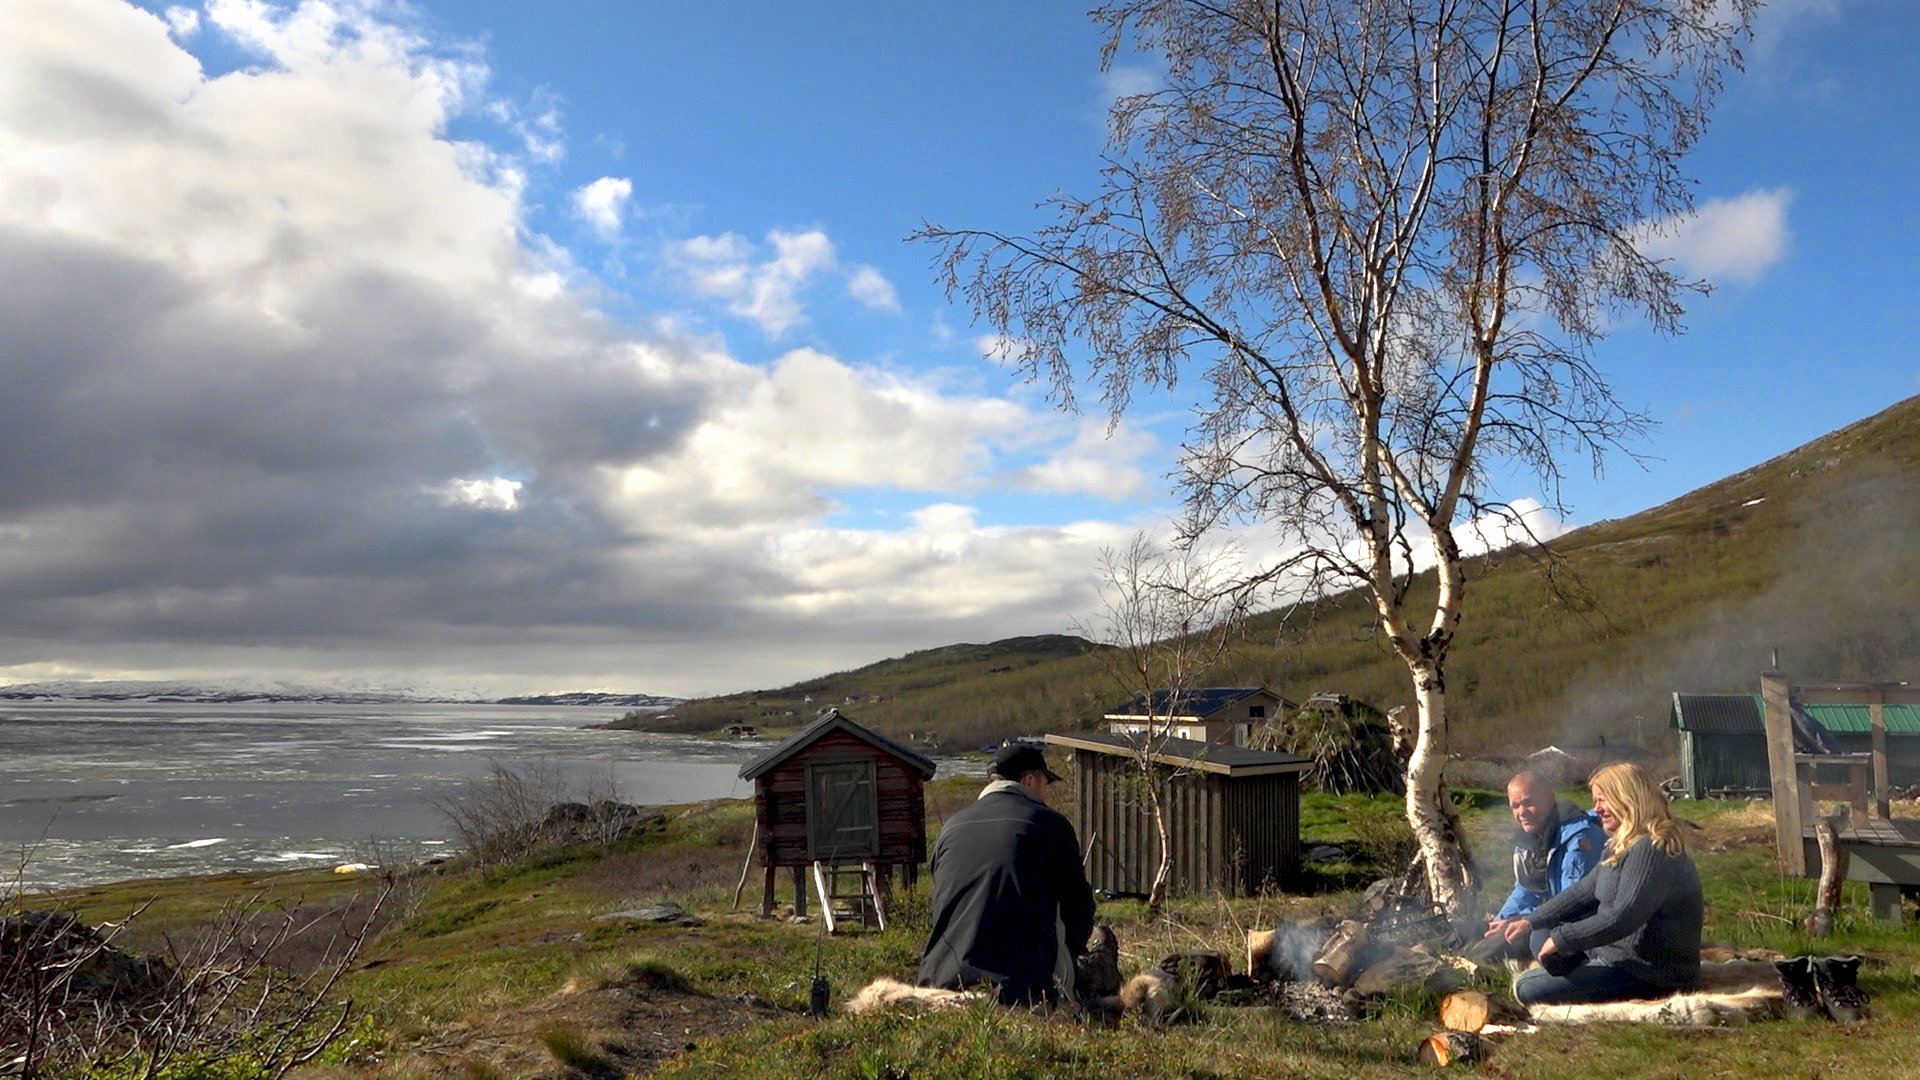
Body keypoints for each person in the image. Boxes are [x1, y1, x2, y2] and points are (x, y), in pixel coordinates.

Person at [1496, 762, 1704, 1006]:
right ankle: (1581, 969)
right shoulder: (1621, 843)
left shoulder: (1651, 848)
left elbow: (1623, 917)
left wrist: (1563, 939)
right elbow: (1583, 891)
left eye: (1603, 800)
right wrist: (1531, 920)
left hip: (1648, 971)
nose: (1597, 809)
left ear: (1627, 798)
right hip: (1612, 953)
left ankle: (1582, 974)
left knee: (1527, 986)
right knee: (1538, 934)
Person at [917, 742, 1096, 1006]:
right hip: (1021, 989)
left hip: (939, 984)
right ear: (1030, 779)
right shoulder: (1050, 825)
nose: (1046, 793)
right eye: (1046, 783)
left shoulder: (951, 828)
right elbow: (1079, 910)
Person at [1478, 771, 1607, 959]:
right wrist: (1502, 920)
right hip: (1549, 917)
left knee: (1523, 940)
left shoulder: (1580, 838)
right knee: (1482, 933)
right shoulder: (1528, 841)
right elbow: (1525, 889)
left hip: (1581, 924)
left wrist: (1523, 921)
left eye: (1529, 802)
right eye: (1515, 806)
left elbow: (1570, 901)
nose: (1522, 812)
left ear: (1550, 799)